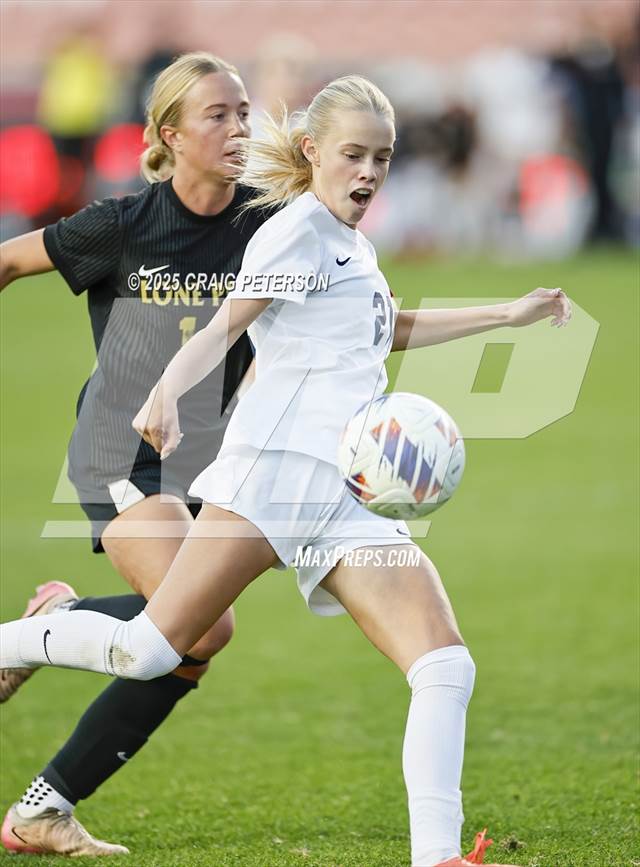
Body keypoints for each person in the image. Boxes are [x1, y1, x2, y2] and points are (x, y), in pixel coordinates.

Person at [0, 75, 571, 866]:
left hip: (343, 496)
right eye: (353, 155)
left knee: (445, 663)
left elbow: (382, 330)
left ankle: (438, 856)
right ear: (313, 152)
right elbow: (230, 322)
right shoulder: (295, 231)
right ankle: (14, 641)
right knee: (150, 651)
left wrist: (506, 314)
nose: (370, 172)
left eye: (382, 156)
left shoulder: (353, 246)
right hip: (267, 480)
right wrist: (167, 390)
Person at [0, 52, 269, 856]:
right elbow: (9, 259)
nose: (239, 128)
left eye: (245, 111)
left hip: (216, 463)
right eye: (218, 114)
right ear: (169, 134)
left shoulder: (269, 222)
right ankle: (45, 651)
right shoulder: (121, 224)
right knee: (205, 628)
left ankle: (43, 808)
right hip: (123, 452)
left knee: (181, 645)